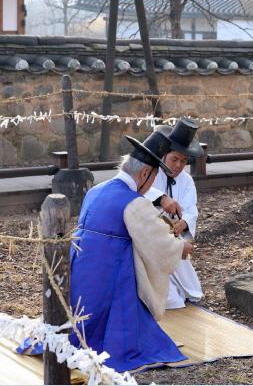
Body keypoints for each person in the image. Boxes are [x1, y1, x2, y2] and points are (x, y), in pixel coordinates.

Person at [66, 131, 194, 372]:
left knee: (81, 321)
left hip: (81, 273)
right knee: (127, 337)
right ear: (145, 173)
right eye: (154, 177)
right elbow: (159, 245)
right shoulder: (134, 202)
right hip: (111, 276)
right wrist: (181, 247)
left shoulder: (96, 190)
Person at [145, 118, 204, 309]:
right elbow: (141, 195)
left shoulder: (186, 181)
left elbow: (191, 208)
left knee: (193, 292)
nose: (178, 165)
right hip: (153, 242)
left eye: (184, 161)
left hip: (175, 239)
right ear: (164, 156)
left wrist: (184, 223)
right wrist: (162, 198)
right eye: (174, 159)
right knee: (172, 301)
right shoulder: (151, 174)